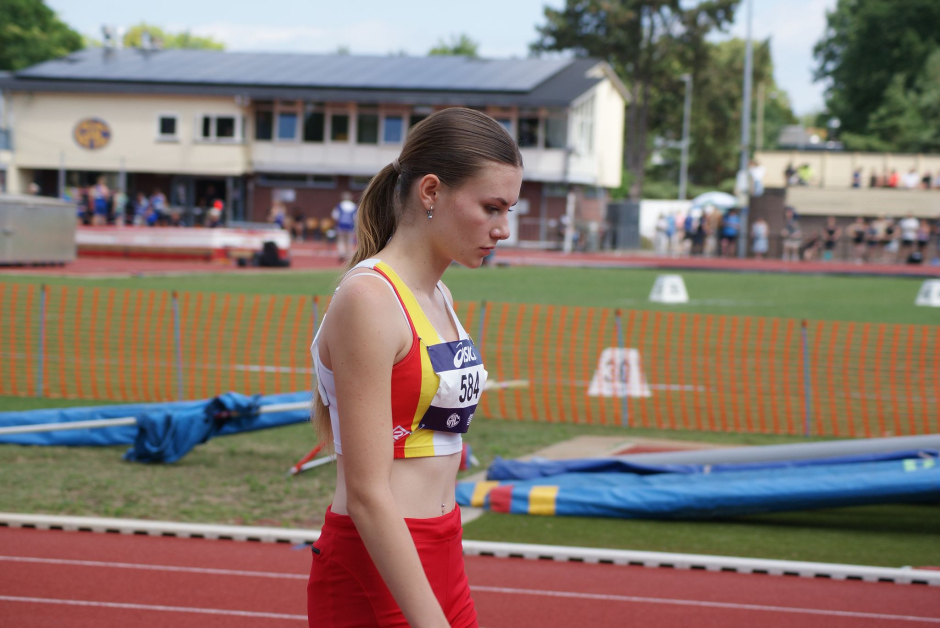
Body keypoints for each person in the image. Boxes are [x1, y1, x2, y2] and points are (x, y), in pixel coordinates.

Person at [307, 107, 522, 628]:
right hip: (376, 563)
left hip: (442, 548)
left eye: (509, 209)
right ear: (431, 192)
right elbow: (367, 492)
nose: (505, 229)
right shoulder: (370, 299)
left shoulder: (439, 293)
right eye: (491, 207)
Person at [333, 191, 358, 262]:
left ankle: (341, 253)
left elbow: (335, 216)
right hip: (350, 226)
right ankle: (349, 254)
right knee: (350, 240)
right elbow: (355, 217)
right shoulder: (353, 206)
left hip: (341, 226)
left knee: (341, 240)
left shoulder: (339, 205)